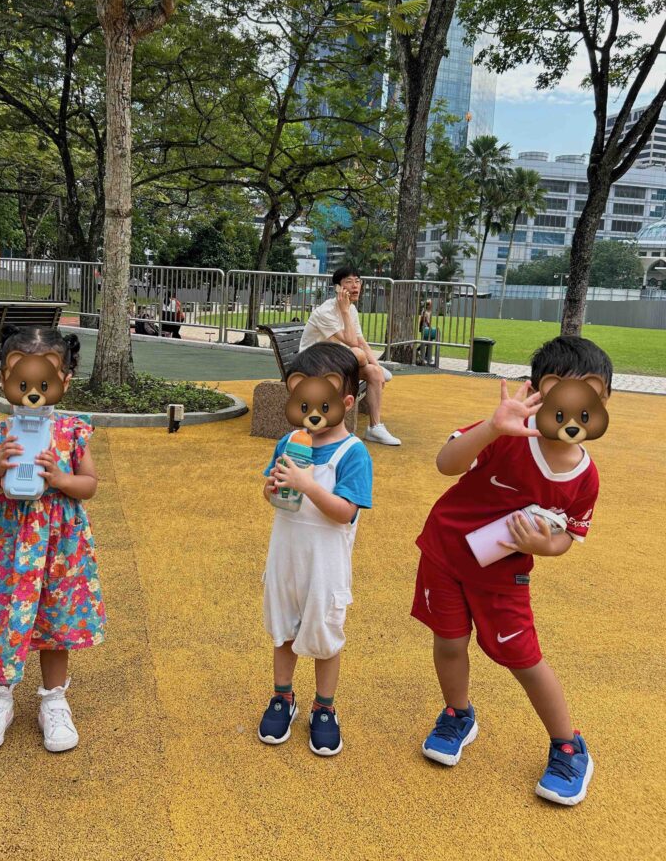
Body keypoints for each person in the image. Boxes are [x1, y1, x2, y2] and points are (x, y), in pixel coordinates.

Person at [411, 335, 612, 806]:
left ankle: (568, 744)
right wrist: (492, 428)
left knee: (523, 658)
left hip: (504, 575)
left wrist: (546, 544)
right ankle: (458, 714)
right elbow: (446, 463)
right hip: (444, 553)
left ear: (604, 403)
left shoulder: (585, 476)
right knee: (449, 642)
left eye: (590, 402)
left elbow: (570, 536)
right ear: (539, 391)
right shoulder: (506, 436)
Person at [0, 328, 105, 753]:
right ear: (4, 379)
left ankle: (54, 699)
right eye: (21, 381)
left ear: (65, 381)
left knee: (56, 618)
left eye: (44, 382)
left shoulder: (71, 432)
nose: (32, 392)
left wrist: (61, 478)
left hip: (59, 548)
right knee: (5, 615)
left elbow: (90, 485)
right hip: (7, 547)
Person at [258, 343, 373, 756]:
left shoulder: (352, 453)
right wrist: (272, 489)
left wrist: (308, 485)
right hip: (286, 558)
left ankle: (324, 706)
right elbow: (272, 492)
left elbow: (345, 512)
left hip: (325, 567)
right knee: (283, 627)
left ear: (344, 402)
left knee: (325, 635)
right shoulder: (289, 441)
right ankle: (283, 696)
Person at [300, 265, 400, 446]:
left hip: (334, 362)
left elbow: (361, 340)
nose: (355, 286)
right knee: (358, 354)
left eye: (358, 281)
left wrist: (376, 366)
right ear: (338, 288)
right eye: (348, 282)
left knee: (374, 373)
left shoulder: (352, 310)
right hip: (312, 363)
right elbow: (353, 342)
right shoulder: (326, 312)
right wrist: (345, 311)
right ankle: (367, 364)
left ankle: (375, 428)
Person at [418, 298, 438, 366]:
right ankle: (418, 351)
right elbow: (424, 320)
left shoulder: (430, 311)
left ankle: (427, 355)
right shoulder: (424, 311)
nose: (431, 305)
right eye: (430, 304)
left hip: (427, 327)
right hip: (424, 327)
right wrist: (429, 326)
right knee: (426, 342)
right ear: (428, 305)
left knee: (429, 340)